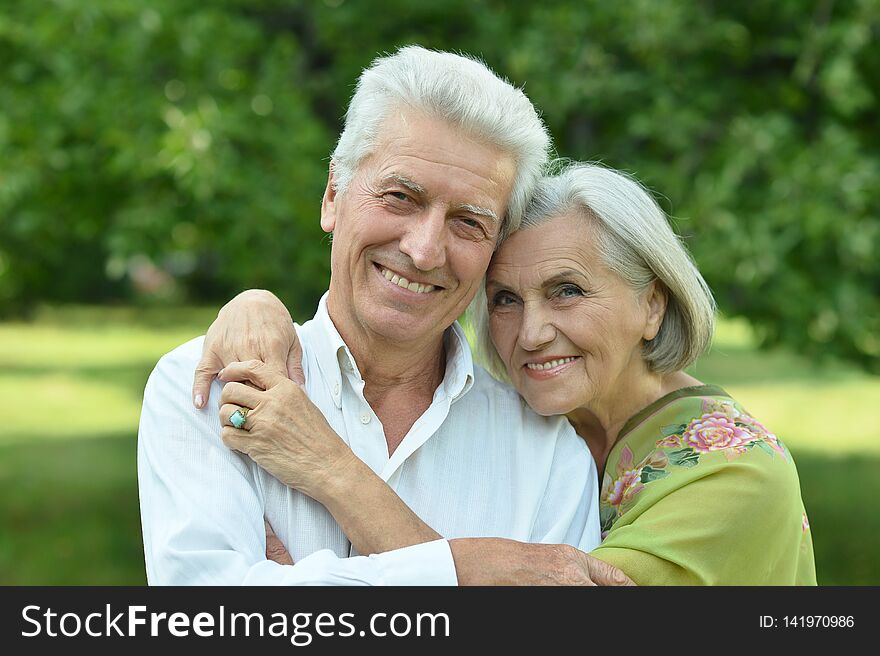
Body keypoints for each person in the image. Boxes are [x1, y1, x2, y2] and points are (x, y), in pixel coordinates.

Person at [138, 46, 629, 585]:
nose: (423, 251)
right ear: (332, 195)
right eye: (400, 197)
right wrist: (467, 569)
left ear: (494, 251)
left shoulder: (547, 453)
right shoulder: (208, 390)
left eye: (468, 222)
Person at [202, 162, 817, 585]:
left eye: (567, 291)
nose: (530, 333)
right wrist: (257, 304)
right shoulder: (531, 433)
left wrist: (331, 472)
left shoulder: (734, 472)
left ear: (652, 305)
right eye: (504, 299)